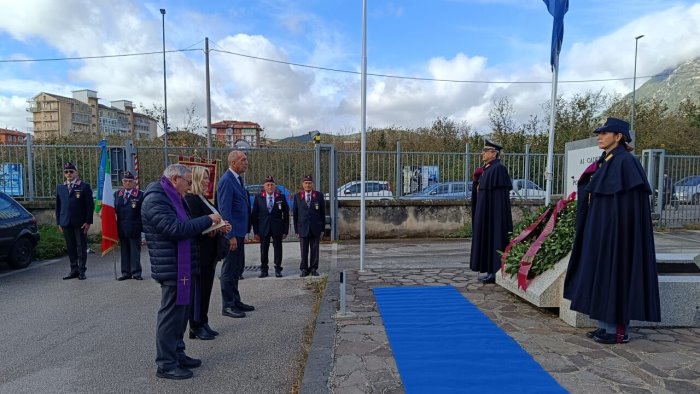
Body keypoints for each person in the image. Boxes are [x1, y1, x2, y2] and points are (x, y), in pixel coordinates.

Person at [563, 117, 660, 345]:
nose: (599, 136)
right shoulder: (605, 161)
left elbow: (628, 206)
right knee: (602, 274)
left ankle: (617, 331)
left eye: (605, 133)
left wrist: (617, 231)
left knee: (616, 274)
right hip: (601, 231)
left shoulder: (626, 162)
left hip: (618, 233)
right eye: (599, 133)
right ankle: (604, 326)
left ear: (618, 137)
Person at [142, 164, 222, 380]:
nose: (189, 187)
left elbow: (185, 225)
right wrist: (208, 220)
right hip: (171, 267)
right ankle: (166, 364)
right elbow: (175, 229)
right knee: (170, 316)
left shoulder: (172, 196)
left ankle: (178, 353)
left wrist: (208, 228)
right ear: (175, 179)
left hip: (181, 266)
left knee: (181, 315)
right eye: (187, 182)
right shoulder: (155, 199)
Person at [184, 166, 231, 340]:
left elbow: (212, 220)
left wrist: (221, 226)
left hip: (210, 251)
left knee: (206, 289)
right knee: (198, 291)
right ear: (195, 179)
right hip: (200, 252)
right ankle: (195, 325)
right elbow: (195, 225)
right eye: (203, 178)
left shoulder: (203, 198)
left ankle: (203, 321)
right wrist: (214, 227)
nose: (207, 181)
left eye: (208, 178)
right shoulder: (191, 200)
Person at [217, 150, 255, 318]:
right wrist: (230, 235)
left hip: (239, 232)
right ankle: (228, 305)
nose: (246, 162)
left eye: (246, 159)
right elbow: (225, 210)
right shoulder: (226, 181)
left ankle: (235, 300)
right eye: (243, 160)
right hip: (232, 234)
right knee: (229, 269)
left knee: (237, 269)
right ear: (233, 163)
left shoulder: (237, 179)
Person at [469, 140, 513, 284]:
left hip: (494, 216)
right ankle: (489, 270)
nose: (483, 153)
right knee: (487, 240)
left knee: (495, 239)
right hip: (486, 214)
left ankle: (495, 271)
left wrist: (495, 217)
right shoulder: (486, 169)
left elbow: (499, 198)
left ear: (494, 154)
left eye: (486, 151)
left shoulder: (498, 169)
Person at [56, 162, 94, 280]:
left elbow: (89, 206)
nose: (69, 174)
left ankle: (82, 270)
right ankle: (74, 270)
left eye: (71, 171)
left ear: (76, 173)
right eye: (66, 172)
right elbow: (58, 206)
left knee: (81, 247)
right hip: (66, 222)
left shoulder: (84, 186)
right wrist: (59, 222)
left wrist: (88, 221)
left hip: (80, 222)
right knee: (71, 247)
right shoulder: (60, 187)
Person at [251, 175, 290, 278]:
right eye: (268, 185)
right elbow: (254, 216)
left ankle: (278, 268)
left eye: (272, 185)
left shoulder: (280, 197)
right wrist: (255, 232)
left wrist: (285, 230)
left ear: (275, 186)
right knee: (264, 249)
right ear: (264, 186)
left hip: (277, 228)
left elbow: (286, 215)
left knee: (278, 248)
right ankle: (264, 269)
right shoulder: (259, 197)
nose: (270, 187)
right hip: (263, 228)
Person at [292, 175, 325, 277]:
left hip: (315, 227)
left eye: (310, 183)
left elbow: (322, 213)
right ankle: (304, 269)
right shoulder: (298, 196)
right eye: (306, 183)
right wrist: (296, 230)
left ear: (312, 185)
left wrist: (322, 228)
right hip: (303, 227)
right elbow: (295, 214)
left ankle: (314, 268)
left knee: (315, 249)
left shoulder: (319, 196)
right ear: (303, 185)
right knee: (304, 249)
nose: (308, 185)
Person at [114, 171, 145, 281]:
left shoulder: (140, 195)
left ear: (134, 182)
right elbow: (113, 210)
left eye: (130, 181)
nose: (127, 183)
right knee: (124, 251)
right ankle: (125, 272)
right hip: (121, 228)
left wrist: (144, 233)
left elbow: (143, 214)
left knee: (135, 251)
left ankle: (136, 272)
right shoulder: (117, 194)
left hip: (134, 228)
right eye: (125, 181)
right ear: (122, 182)